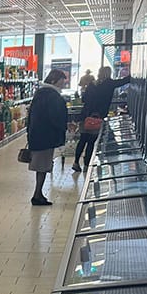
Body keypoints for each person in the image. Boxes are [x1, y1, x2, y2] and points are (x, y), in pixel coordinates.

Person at [73, 65, 132, 172]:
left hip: (85, 116)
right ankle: (86, 165)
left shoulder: (92, 84)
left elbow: (84, 99)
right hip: (98, 117)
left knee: (82, 139)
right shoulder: (109, 83)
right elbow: (124, 81)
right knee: (91, 141)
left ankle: (76, 162)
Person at [26, 69, 69, 206]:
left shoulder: (41, 93)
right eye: (62, 81)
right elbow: (56, 117)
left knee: (42, 166)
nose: (63, 84)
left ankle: (38, 194)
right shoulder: (52, 96)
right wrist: (64, 127)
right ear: (54, 80)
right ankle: (37, 195)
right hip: (45, 136)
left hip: (37, 134)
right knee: (42, 166)